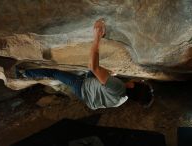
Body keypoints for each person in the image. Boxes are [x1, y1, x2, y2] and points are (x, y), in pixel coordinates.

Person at [16, 18, 154, 110]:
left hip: (81, 86)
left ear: (132, 85)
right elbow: (106, 85)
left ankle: (23, 73)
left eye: (141, 82)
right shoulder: (122, 99)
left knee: (54, 73)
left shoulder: (117, 87)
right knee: (103, 74)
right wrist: (109, 75)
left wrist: (97, 37)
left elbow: (92, 67)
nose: (141, 79)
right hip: (89, 96)